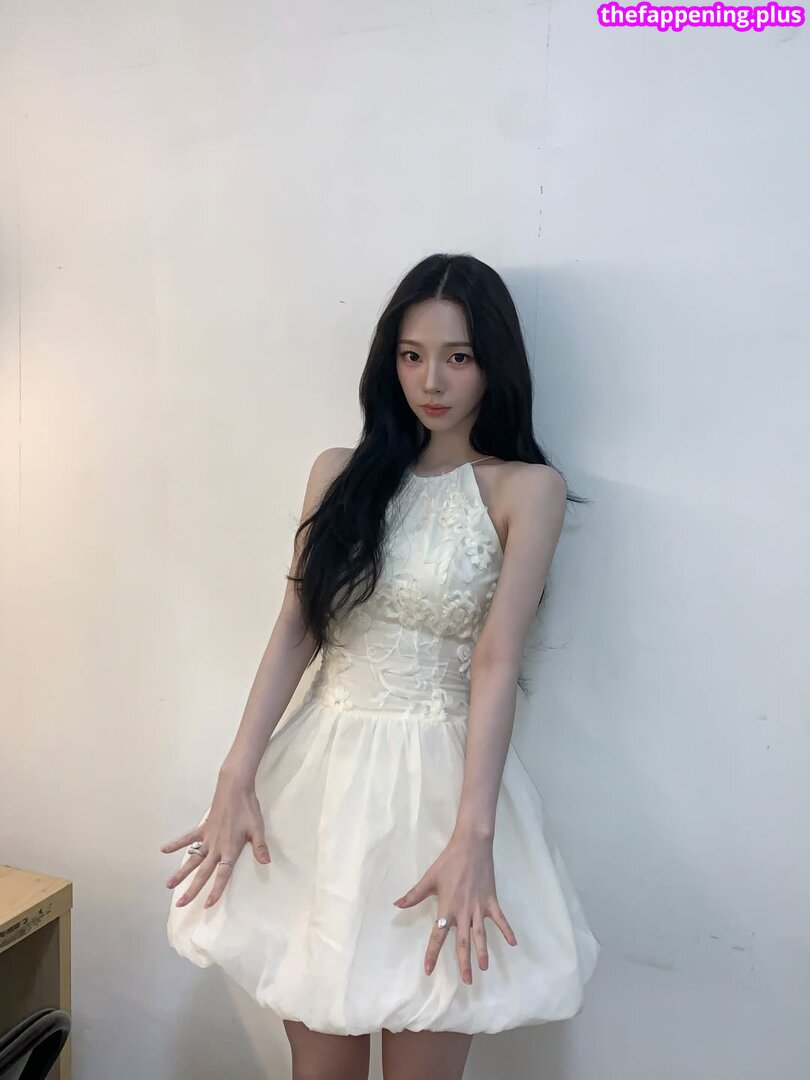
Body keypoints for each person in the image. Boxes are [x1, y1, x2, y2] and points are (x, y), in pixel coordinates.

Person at [161, 252, 600, 1080]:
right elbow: (297, 627)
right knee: (320, 1067)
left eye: (458, 356)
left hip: (438, 795)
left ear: (494, 362)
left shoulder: (526, 489)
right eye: (411, 354)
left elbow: (496, 660)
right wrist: (236, 773)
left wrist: (474, 835)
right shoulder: (340, 472)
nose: (431, 380)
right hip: (320, 789)